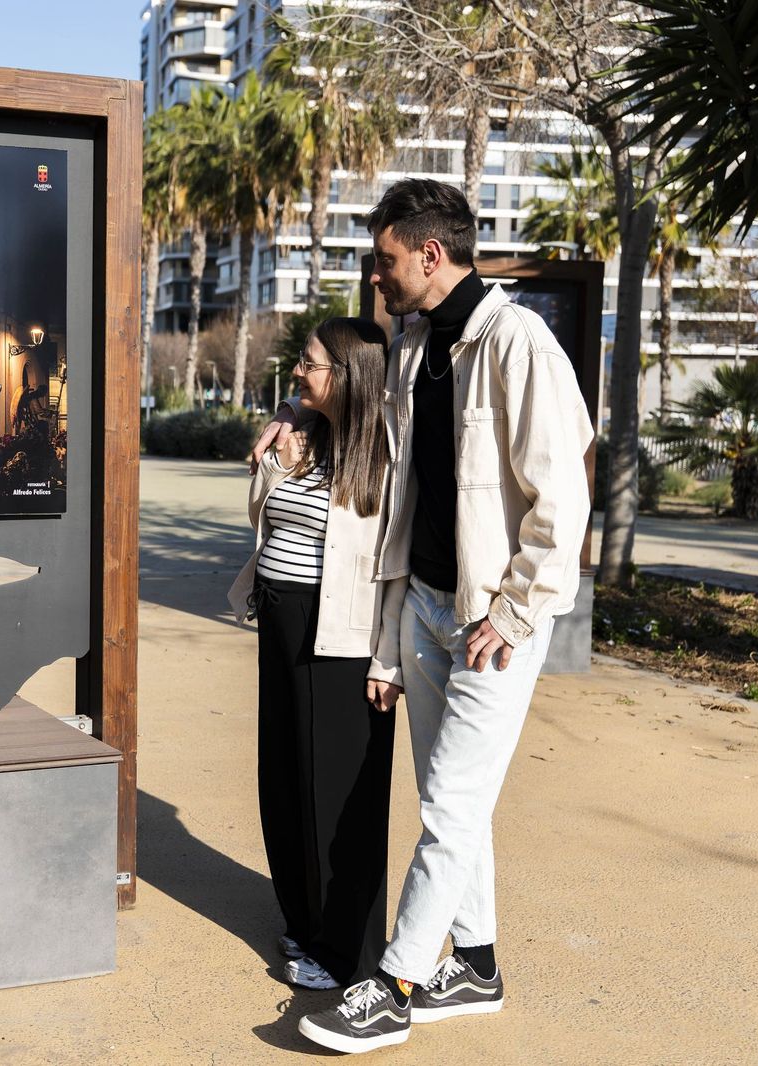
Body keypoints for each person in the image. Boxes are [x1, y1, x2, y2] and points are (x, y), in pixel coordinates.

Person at [252, 179, 593, 1054]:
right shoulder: (413, 345)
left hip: (491, 623)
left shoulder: (520, 345)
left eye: (388, 259)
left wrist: (514, 616)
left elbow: (564, 498)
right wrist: (296, 408)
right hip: (427, 610)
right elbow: (361, 405)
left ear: (430, 255)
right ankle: (473, 962)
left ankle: (395, 984)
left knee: (447, 804)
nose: (381, 275)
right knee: (458, 804)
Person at [226, 317, 408, 994]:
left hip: (344, 640)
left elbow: (397, 574)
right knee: (286, 777)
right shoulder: (306, 437)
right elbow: (263, 516)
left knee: (341, 799)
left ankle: (347, 956)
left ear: (347, 374)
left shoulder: (387, 451)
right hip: (280, 620)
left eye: (309, 365)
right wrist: (284, 424)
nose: (298, 372)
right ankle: (305, 921)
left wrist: (388, 662)